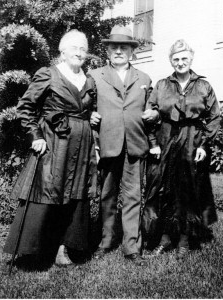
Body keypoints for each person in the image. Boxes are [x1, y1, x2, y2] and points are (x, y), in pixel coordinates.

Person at [4, 30, 97, 267]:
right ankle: (34, 251)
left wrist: (91, 117)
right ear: (62, 51)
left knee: (75, 194)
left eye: (83, 49)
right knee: (47, 190)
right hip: (54, 143)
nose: (79, 52)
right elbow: (25, 107)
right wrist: (35, 135)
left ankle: (63, 249)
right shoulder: (49, 75)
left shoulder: (88, 80)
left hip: (81, 145)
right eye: (74, 47)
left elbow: (84, 109)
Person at [142, 39, 221, 259]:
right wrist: (153, 143)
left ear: (191, 58)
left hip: (192, 140)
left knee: (188, 190)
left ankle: (185, 240)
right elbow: (150, 115)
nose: (180, 62)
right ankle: (165, 239)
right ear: (170, 61)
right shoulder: (162, 85)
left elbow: (214, 117)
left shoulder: (204, 86)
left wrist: (204, 144)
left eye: (184, 58)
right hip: (166, 138)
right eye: (176, 59)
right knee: (164, 189)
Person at [89, 25, 160, 265]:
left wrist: (155, 114)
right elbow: (85, 105)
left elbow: (153, 108)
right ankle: (106, 241)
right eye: (114, 47)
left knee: (133, 197)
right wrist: (89, 115)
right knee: (107, 196)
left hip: (135, 145)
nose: (119, 51)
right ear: (107, 51)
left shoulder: (144, 78)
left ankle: (132, 246)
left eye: (124, 47)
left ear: (131, 52)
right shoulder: (95, 76)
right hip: (108, 144)